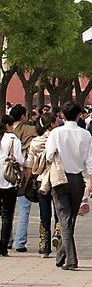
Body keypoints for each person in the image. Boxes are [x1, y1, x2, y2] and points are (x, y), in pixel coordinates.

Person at [45, 101, 92, 270]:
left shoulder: (56, 133)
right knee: (70, 218)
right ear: (78, 115)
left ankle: (71, 259)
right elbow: (90, 160)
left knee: (65, 218)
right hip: (77, 180)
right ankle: (62, 255)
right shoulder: (85, 134)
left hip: (60, 178)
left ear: (62, 115)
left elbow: (49, 156)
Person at [27, 113, 57, 257]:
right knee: (60, 212)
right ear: (51, 123)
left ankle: (44, 246)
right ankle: (59, 235)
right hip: (57, 179)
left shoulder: (35, 142)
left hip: (41, 180)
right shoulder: (58, 139)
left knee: (44, 214)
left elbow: (30, 164)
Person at [10, 104, 34, 254]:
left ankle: (6, 238)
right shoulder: (29, 130)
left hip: (5, 174)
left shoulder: (5, 131)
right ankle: (20, 242)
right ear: (23, 116)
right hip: (23, 173)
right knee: (24, 208)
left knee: (6, 210)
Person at [0, 115, 25, 256]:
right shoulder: (13, 139)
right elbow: (20, 160)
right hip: (8, 179)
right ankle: (3, 246)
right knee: (7, 215)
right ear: (9, 125)